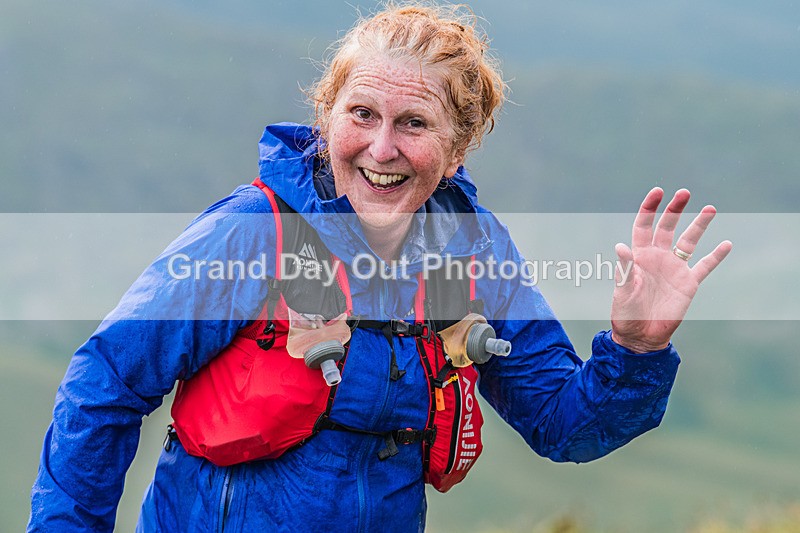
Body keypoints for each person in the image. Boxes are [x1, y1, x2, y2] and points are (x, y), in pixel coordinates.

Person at [28, 3, 732, 532]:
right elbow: (105, 384)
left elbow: (562, 423)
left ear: (457, 152)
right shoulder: (253, 232)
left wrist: (639, 347)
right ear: (328, 117)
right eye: (361, 114)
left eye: (414, 124)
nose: (381, 147)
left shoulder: (466, 250)